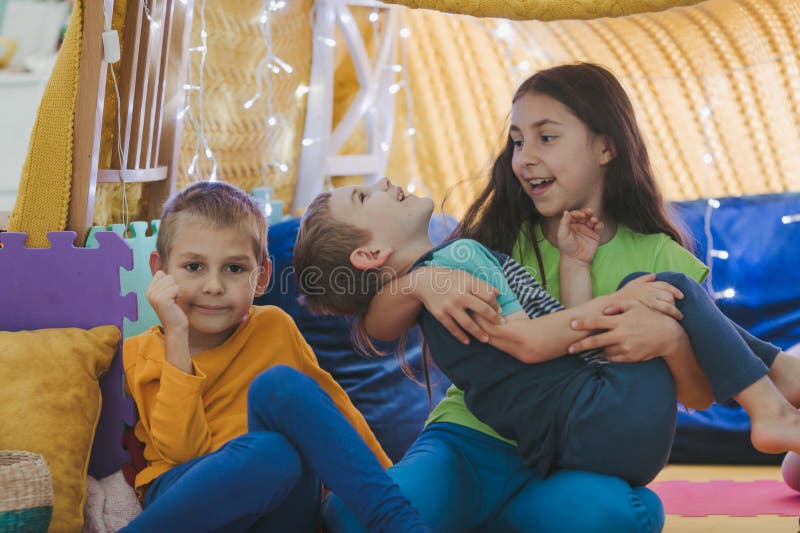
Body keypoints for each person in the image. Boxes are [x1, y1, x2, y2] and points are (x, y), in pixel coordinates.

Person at [294, 177, 800, 493]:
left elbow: (566, 337)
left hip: (583, 444)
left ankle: (778, 389)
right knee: (668, 287)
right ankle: (772, 403)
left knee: (652, 293)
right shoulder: (457, 261)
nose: (382, 181)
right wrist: (621, 300)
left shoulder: (436, 289)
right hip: (602, 420)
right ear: (369, 254)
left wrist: (576, 264)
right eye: (363, 196)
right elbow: (533, 343)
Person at [120, 181, 428, 532]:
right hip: (186, 501)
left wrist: (391, 482)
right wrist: (176, 335)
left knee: (284, 421)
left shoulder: (274, 328)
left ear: (263, 276)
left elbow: (334, 413)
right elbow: (182, 452)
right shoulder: (144, 352)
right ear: (160, 270)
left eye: (234, 269)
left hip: (279, 506)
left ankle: (396, 520)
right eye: (194, 267)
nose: (213, 286)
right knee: (274, 453)